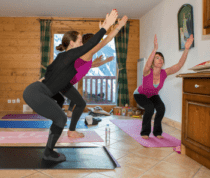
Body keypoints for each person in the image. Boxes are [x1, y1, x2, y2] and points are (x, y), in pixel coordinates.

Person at [23, 10, 118, 162]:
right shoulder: (69, 56)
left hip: (35, 91)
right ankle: (48, 152)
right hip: (37, 92)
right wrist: (106, 27)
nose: (82, 45)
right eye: (80, 41)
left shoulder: (65, 58)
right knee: (60, 118)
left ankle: (49, 151)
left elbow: (50, 72)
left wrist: (45, 79)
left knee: (59, 116)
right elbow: (93, 45)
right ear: (72, 43)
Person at [52, 15, 128, 138]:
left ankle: (68, 127)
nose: (97, 43)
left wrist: (104, 61)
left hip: (65, 83)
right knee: (80, 103)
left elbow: (91, 65)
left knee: (79, 102)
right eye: (95, 41)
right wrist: (119, 26)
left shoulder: (86, 56)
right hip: (63, 82)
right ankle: (71, 130)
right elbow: (106, 40)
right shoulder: (87, 53)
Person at [134, 34, 194, 139]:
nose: (160, 59)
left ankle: (157, 132)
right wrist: (155, 49)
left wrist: (186, 49)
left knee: (161, 108)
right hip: (140, 94)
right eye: (157, 58)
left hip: (152, 94)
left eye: (161, 58)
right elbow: (147, 65)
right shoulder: (147, 71)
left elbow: (179, 65)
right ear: (153, 62)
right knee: (150, 108)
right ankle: (145, 132)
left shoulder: (164, 73)